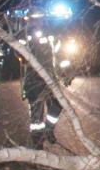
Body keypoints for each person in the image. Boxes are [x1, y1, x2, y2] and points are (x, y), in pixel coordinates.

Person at [19, 13, 72, 147]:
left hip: (50, 78)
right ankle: (38, 144)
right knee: (37, 115)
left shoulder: (51, 35)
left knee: (58, 104)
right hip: (34, 79)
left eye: (40, 19)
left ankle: (48, 129)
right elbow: (20, 54)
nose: (38, 22)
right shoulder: (25, 36)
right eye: (34, 19)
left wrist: (66, 72)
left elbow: (59, 55)